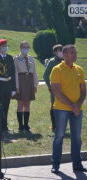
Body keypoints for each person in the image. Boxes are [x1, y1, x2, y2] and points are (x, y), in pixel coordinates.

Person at [50, 45, 86, 174]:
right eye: (72, 53)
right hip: (61, 109)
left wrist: (78, 104)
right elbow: (56, 91)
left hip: (78, 109)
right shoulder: (57, 69)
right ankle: (55, 164)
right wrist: (72, 106)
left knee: (77, 138)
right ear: (64, 55)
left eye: (75, 52)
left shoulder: (79, 70)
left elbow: (83, 90)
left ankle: (77, 164)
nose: (75, 55)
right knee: (59, 136)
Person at [14, 41, 38, 133]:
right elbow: (15, 73)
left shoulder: (31, 59)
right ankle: (20, 125)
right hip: (21, 81)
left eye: (27, 47)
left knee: (27, 104)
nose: (26, 48)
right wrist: (17, 87)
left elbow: (35, 73)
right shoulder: (16, 59)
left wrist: (35, 85)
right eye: (24, 47)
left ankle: (26, 125)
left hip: (29, 82)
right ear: (20, 48)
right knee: (20, 104)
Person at [0, 39, 16, 132]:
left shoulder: (10, 58)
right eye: (3, 46)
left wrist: (13, 88)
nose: (5, 47)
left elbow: (13, 74)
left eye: (6, 45)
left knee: (6, 105)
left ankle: (4, 125)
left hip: (8, 85)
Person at [43, 44, 63, 131]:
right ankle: (54, 125)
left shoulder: (65, 60)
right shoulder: (52, 62)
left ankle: (62, 124)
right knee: (53, 105)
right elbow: (45, 75)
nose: (61, 52)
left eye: (62, 50)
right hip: (55, 88)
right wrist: (50, 87)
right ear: (55, 52)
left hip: (65, 87)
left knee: (63, 105)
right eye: (59, 50)